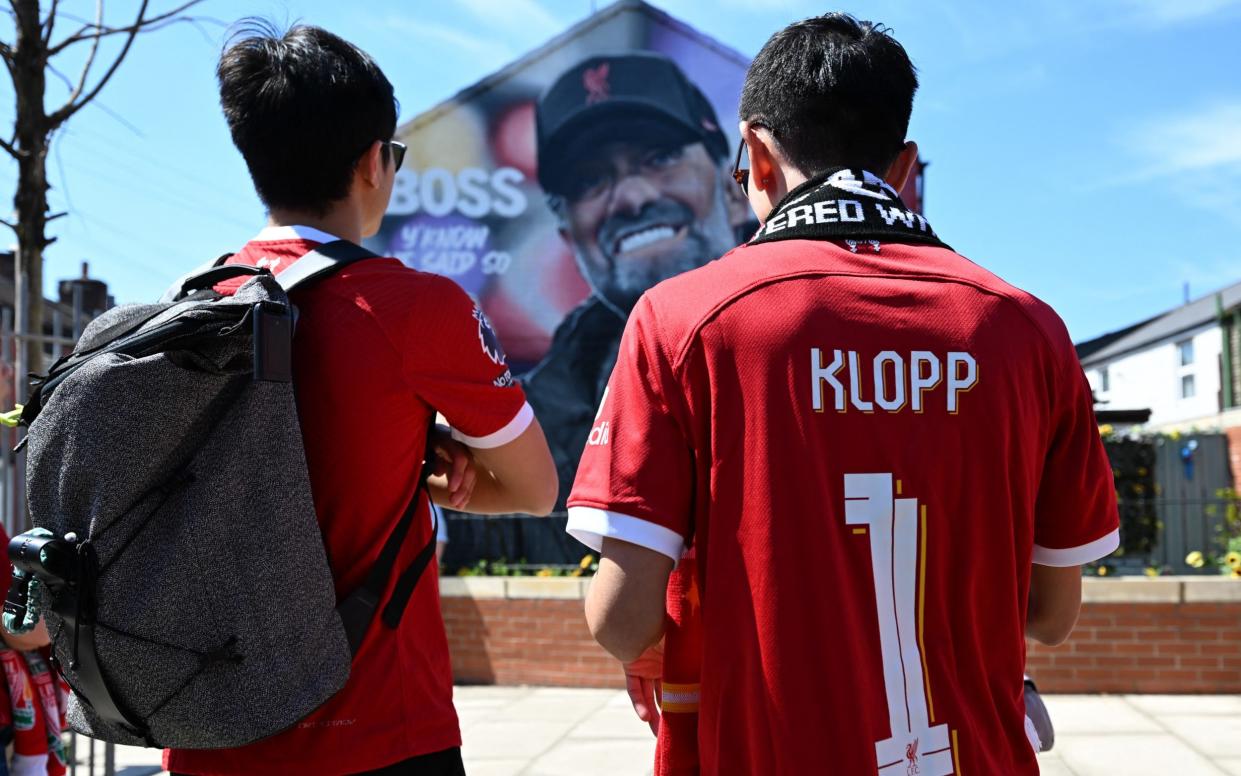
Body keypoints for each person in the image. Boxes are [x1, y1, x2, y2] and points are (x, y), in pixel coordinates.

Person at [566, 13, 1118, 775]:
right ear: (905, 167)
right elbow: (1049, 618)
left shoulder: (684, 318)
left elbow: (621, 623)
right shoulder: (1026, 328)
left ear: (755, 157)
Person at [163, 22, 557, 776]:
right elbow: (537, 489)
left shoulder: (184, 308)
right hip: (378, 732)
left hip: (211, 735)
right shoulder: (416, 309)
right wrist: (437, 463)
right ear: (375, 162)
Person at [523, 52, 750, 507]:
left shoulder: (822, 351)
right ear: (569, 237)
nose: (630, 197)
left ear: (734, 189)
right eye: (589, 182)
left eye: (660, 156)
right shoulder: (531, 430)